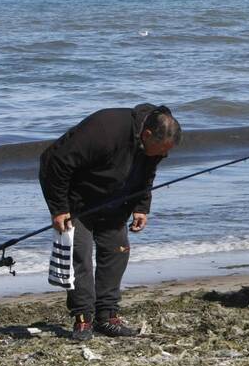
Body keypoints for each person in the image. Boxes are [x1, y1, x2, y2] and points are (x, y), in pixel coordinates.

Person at [39, 104, 181, 341]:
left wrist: (141, 206)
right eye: (161, 151)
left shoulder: (153, 148)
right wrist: (59, 209)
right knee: (80, 255)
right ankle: (83, 319)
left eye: (166, 153)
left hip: (115, 202)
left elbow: (147, 173)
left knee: (117, 252)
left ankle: (107, 316)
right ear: (147, 135)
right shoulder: (106, 128)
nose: (163, 156)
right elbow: (54, 162)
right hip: (76, 202)